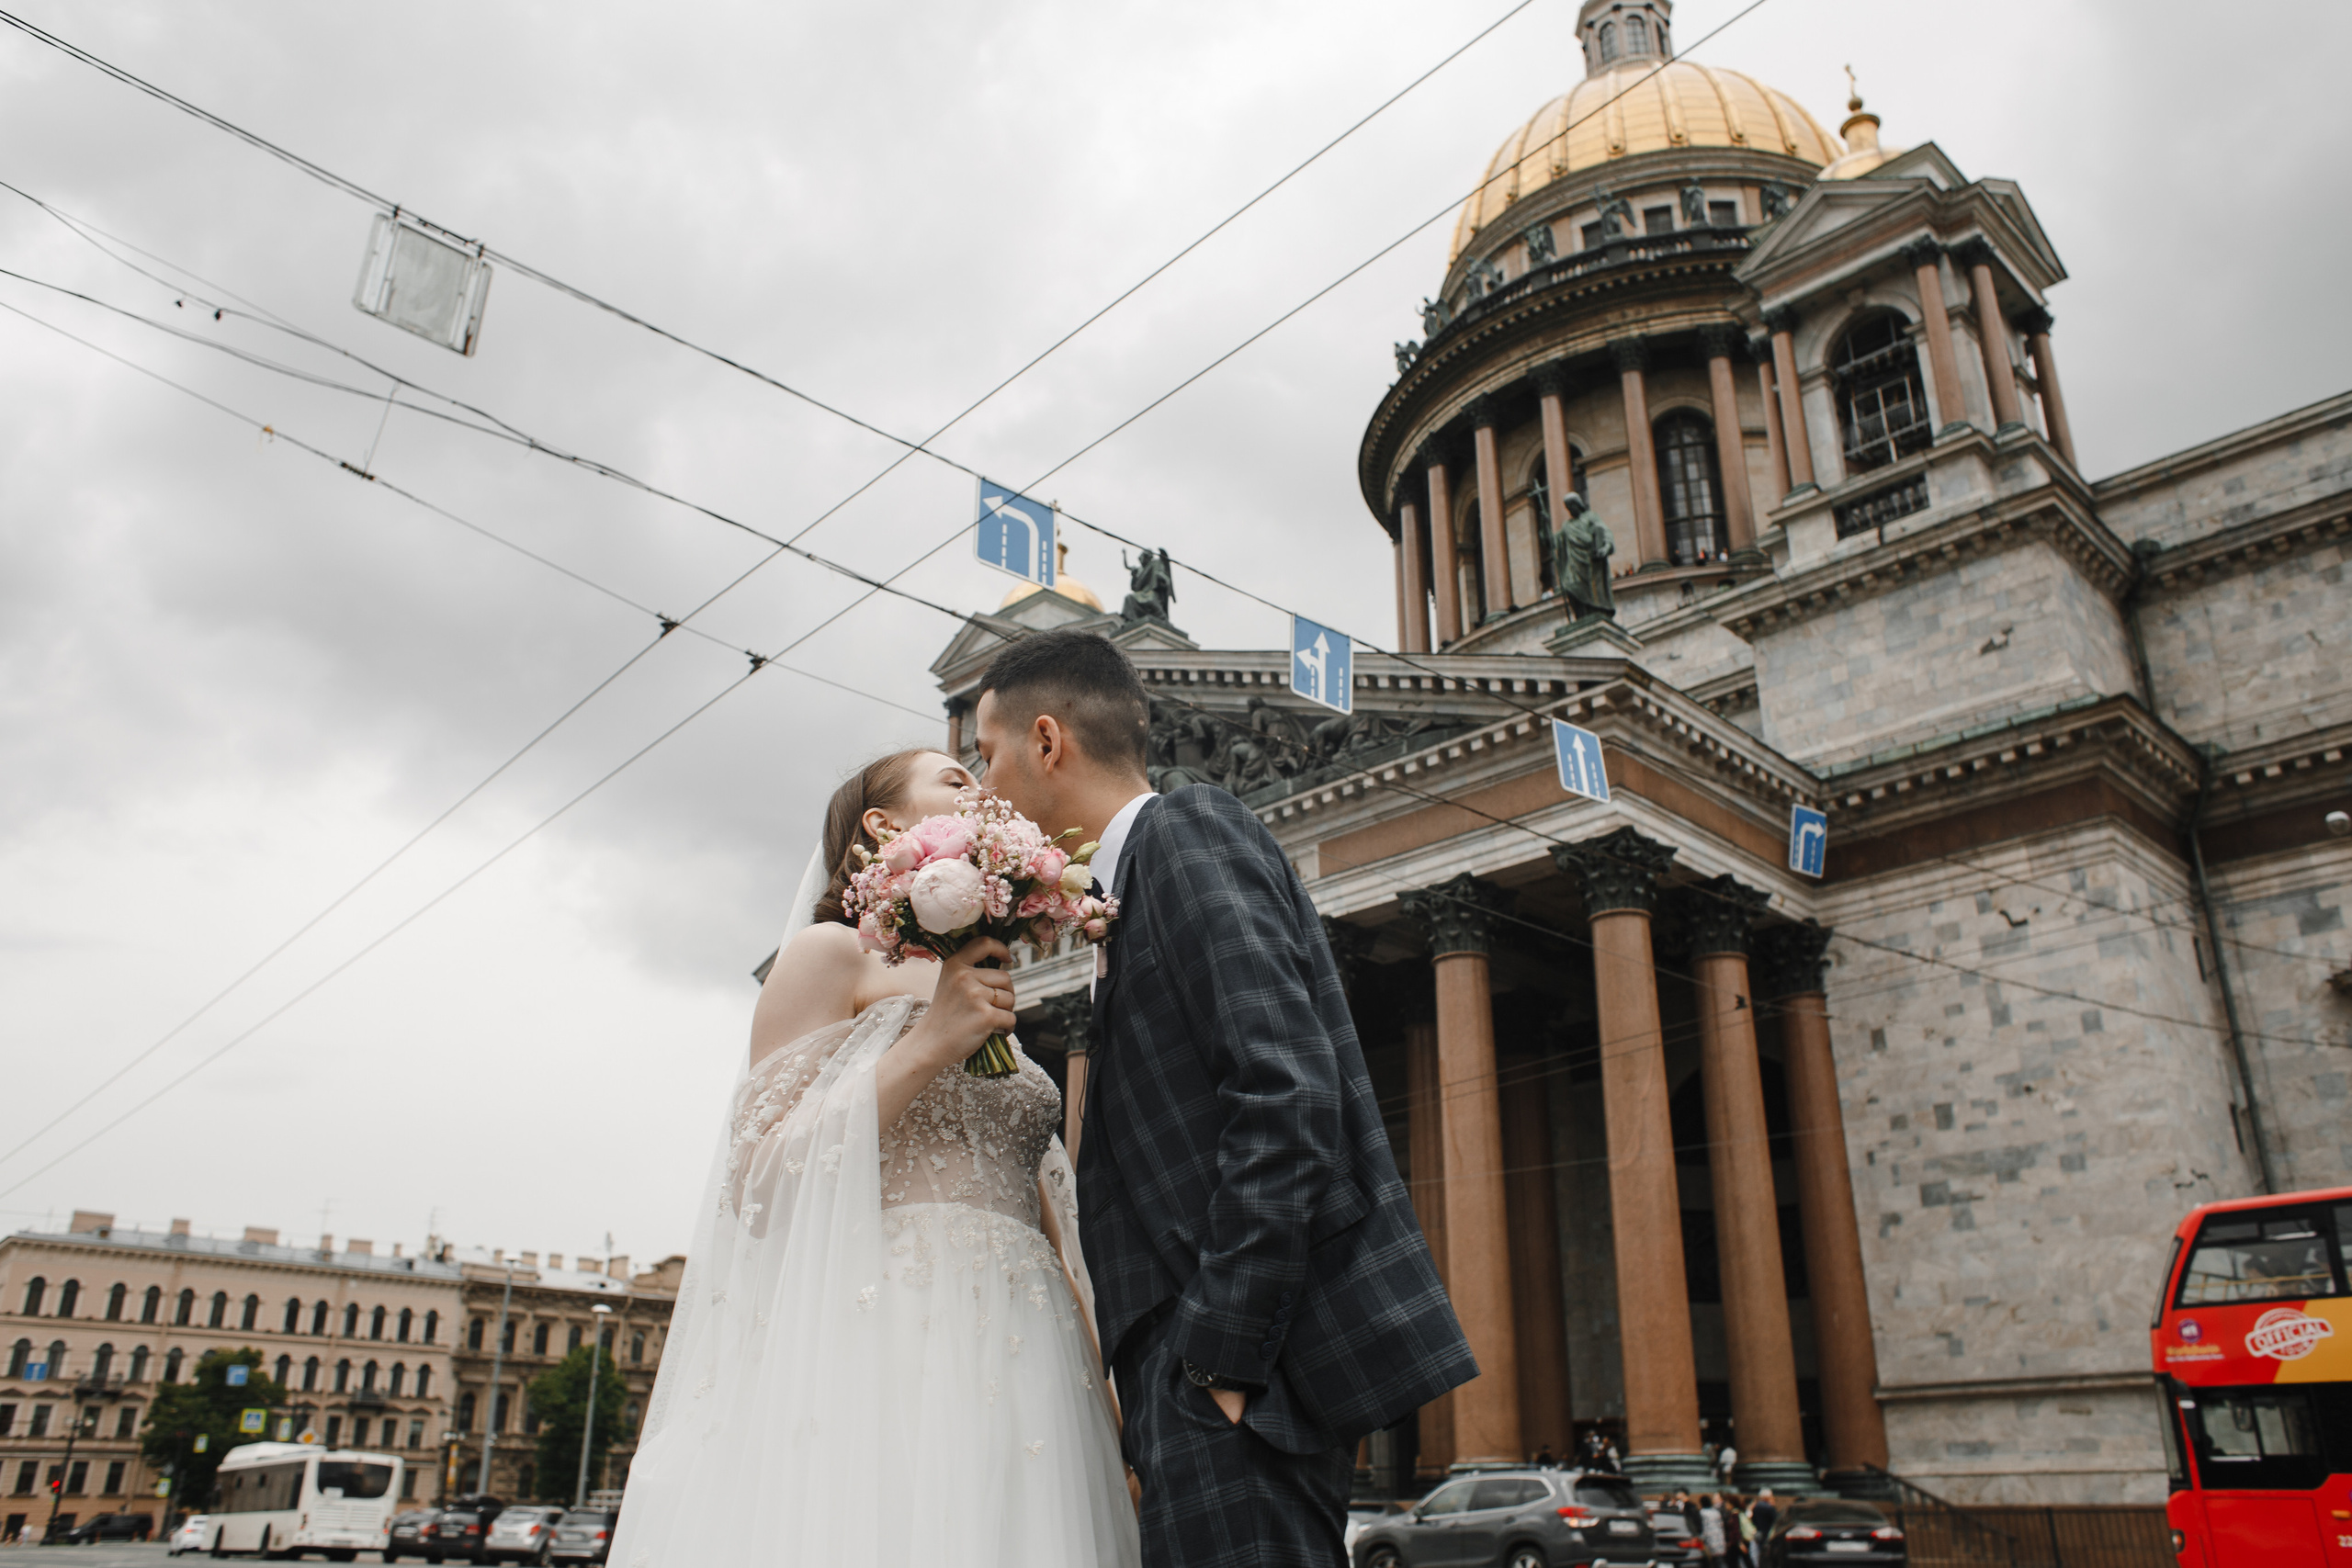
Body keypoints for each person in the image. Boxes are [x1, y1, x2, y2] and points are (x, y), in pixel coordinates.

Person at [973, 627, 1476, 1568]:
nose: (982, 788)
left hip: (1235, 1375)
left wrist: (1216, 1362)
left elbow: (1287, 1097)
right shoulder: (1131, 885)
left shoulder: (1186, 830)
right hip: (1206, 1377)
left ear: (1047, 741)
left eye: (986, 755)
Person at [607, 749, 1139, 1567]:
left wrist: (1106, 1402)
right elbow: (758, 1179)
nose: (984, 788)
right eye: (957, 779)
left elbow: (1042, 1214)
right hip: (889, 1332)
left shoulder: (984, 973)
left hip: (1033, 1354)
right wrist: (927, 1044)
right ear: (885, 828)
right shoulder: (829, 952)